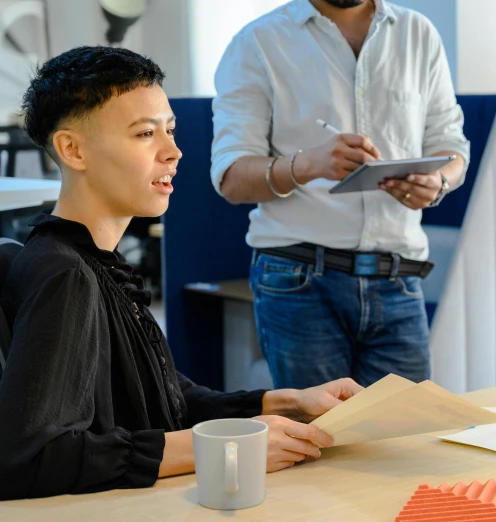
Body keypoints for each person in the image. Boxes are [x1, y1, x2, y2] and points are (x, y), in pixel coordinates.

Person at [0, 45, 362, 501]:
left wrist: (285, 401)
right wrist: (226, 444)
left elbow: (166, 399)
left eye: (170, 131)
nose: (173, 151)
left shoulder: (97, 263)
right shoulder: (65, 273)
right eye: (145, 134)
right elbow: (28, 458)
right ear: (72, 149)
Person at [211, 0, 470, 389]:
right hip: (299, 280)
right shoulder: (259, 42)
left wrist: (439, 182)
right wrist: (309, 164)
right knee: (319, 441)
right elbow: (231, 177)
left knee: (403, 441)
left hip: (398, 278)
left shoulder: (418, 33)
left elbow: (452, 148)